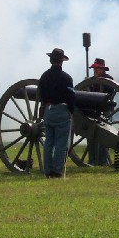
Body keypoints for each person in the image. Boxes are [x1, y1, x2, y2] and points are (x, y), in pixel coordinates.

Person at [39, 48, 76, 179]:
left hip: (48, 111)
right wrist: (71, 111)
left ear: (51, 60)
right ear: (61, 62)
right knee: (61, 142)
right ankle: (57, 171)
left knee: (48, 141)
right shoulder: (66, 78)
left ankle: (47, 170)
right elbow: (71, 96)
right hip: (61, 111)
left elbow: (41, 94)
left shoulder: (44, 76)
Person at [87, 58, 115, 166]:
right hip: (92, 111)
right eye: (94, 68)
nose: (95, 70)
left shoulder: (109, 80)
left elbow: (108, 93)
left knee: (104, 137)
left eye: (97, 68)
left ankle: (103, 161)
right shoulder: (91, 80)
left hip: (105, 111)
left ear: (103, 69)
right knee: (90, 136)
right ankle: (92, 160)